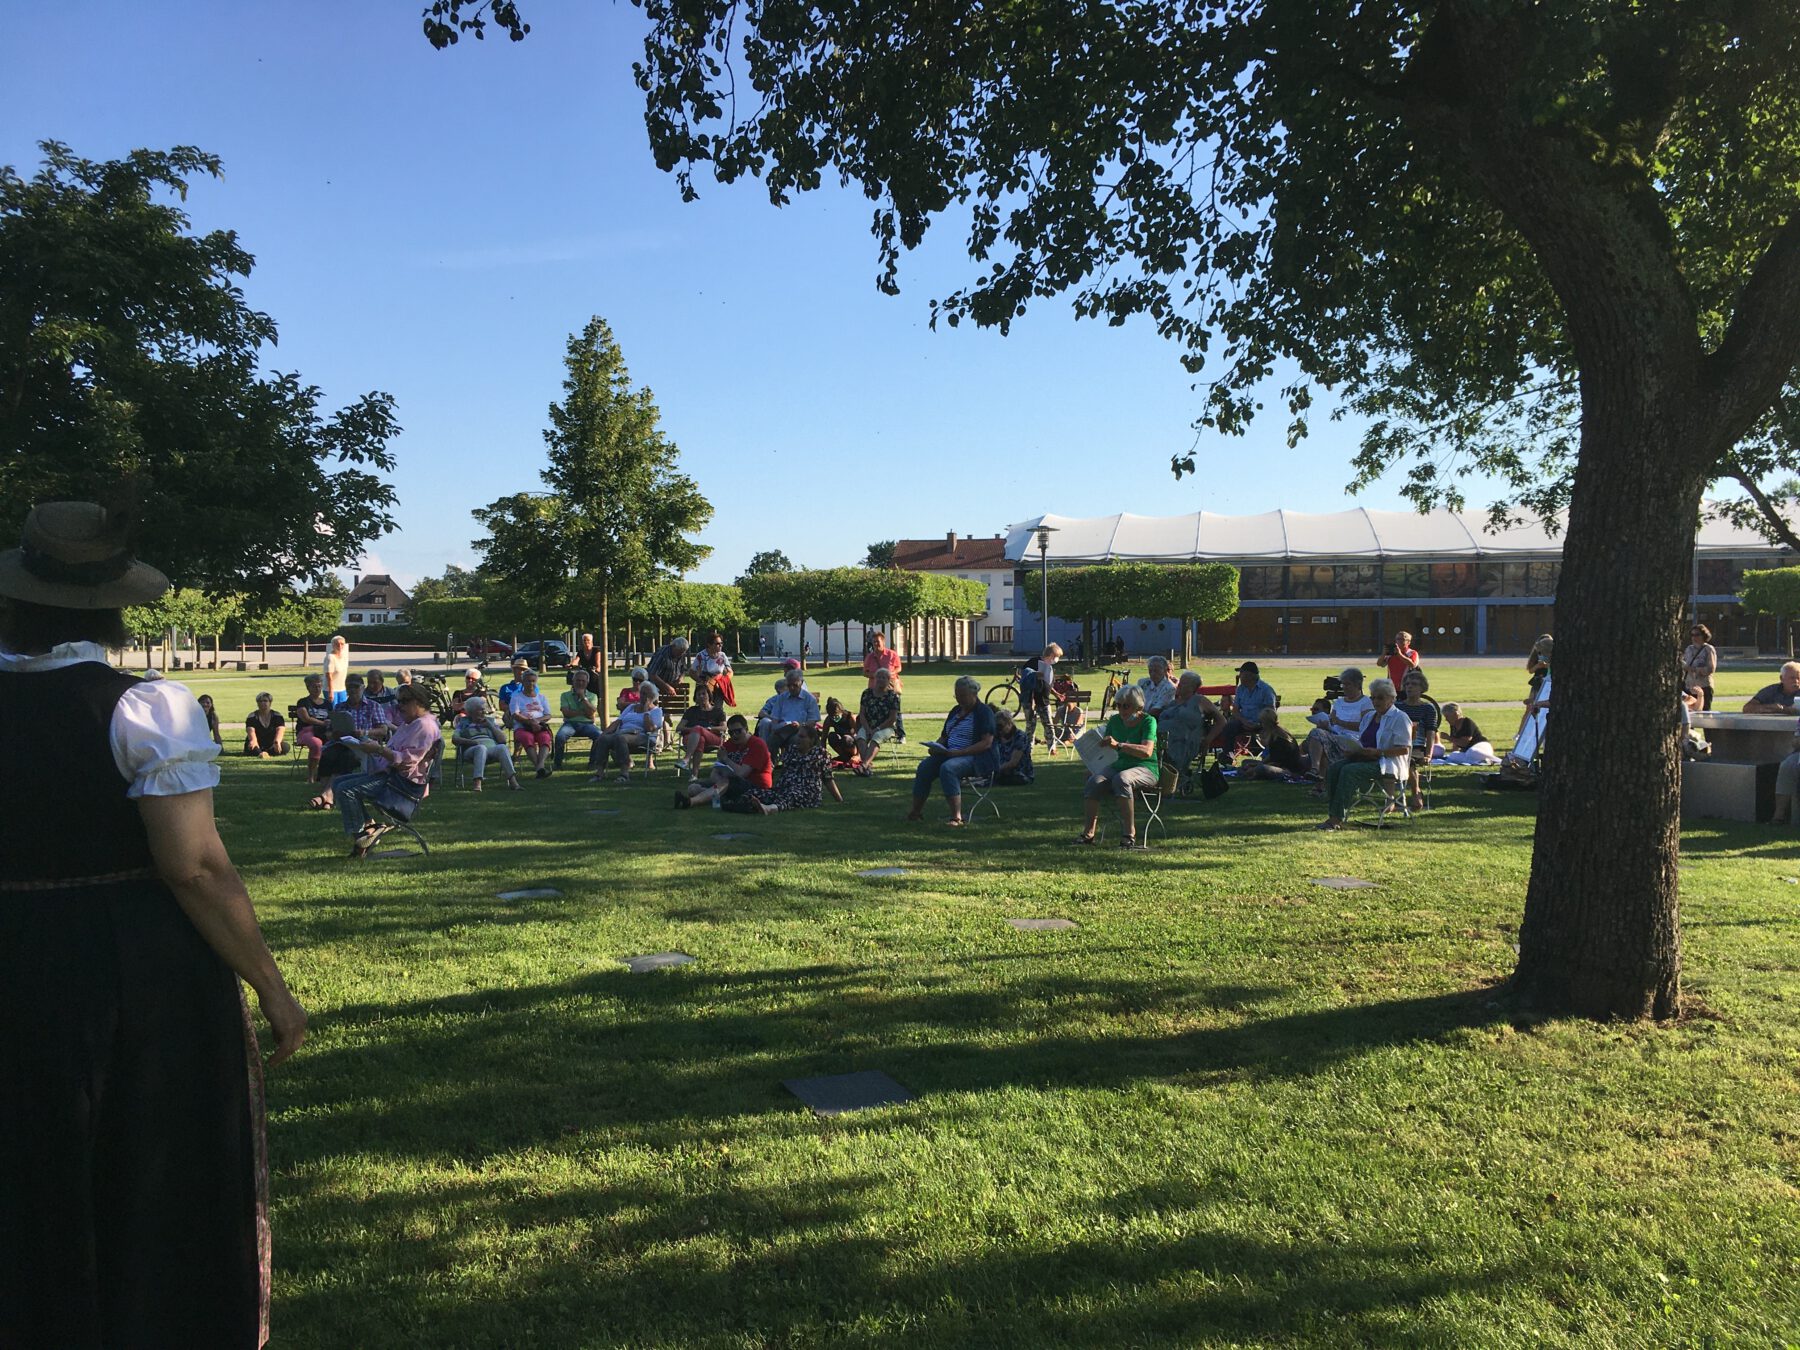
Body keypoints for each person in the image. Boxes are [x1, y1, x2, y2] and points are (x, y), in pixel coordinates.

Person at [0, 500, 307, 1343]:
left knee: (28, 1163)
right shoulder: (146, 707)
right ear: (115, 605)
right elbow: (194, 864)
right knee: (151, 1162)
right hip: (132, 968)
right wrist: (273, 989)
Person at [336, 683, 444, 855]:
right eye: (397, 701)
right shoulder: (411, 723)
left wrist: (378, 749)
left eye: (404, 701)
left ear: (418, 701)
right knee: (338, 783)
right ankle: (369, 829)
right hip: (391, 777)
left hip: (401, 786)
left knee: (345, 789)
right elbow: (395, 751)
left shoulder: (424, 726)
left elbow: (408, 762)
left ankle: (361, 839)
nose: (399, 706)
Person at [1317, 677, 1413, 830]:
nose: (1376, 701)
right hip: (1365, 757)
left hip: (1386, 762)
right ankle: (1332, 814)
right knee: (1334, 768)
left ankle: (1336, 819)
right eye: (1373, 697)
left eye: (1380, 698)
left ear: (1392, 699)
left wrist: (1379, 751)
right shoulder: (1369, 717)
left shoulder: (1400, 718)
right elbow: (1362, 742)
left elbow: (1404, 749)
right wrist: (1353, 750)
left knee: (1348, 771)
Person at [907, 675, 999, 827]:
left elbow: (986, 743)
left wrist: (959, 753)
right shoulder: (956, 711)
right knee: (924, 767)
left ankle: (956, 817)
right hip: (949, 754)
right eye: (957, 695)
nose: (959, 699)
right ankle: (916, 812)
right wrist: (936, 747)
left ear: (974, 694)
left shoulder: (984, 712)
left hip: (976, 757)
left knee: (948, 768)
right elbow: (945, 736)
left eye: (963, 696)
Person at [1074, 685, 1159, 847]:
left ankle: (1129, 834)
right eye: (1118, 705)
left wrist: (1119, 745)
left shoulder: (1149, 721)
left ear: (1138, 706)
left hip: (1145, 768)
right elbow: (1106, 750)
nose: (1121, 709)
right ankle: (1088, 833)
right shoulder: (1115, 720)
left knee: (1122, 779)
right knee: (1094, 781)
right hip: (1118, 765)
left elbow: (1147, 752)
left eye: (1126, 706)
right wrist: (1093, 764)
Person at [742, 725, 843, 814]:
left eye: (802, 737)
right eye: (798, 736)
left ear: (811, 740)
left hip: (806, 792)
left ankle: (770, 809)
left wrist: (839, 800)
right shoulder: (791, 750)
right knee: (755, 793)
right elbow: (783, 771)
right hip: (784, 789)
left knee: (791, 797)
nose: (798, 739)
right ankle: (743, 806)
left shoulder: (821, 754)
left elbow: (828, 779)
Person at [678, 715, 773, 809]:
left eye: (738, 731)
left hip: (755, 786)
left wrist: (726, 759)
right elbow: (714, 772)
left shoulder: (757, 744)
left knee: (727, 782)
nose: (735, 735)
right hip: (728, 783)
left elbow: (741, 774)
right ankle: (723, 797)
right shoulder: (729, 745)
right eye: (731, 733)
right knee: (693, 788)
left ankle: (690, 802)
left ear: (746, 729)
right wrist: (718, 783)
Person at [1303, 667, 1372, 776]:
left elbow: (1365, 727)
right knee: (1318, 733)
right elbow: (1333, 722)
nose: (1344, 687)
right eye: (1342, 684)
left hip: (1353, 741)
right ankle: (1319, 781)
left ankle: (1314, 770)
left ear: (1358, 685)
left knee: (1317, 735)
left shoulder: (1366, 702)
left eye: (1347, 684)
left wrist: (1341, 722)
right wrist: (1326, 725)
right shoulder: (1339, 702)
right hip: (1335, 737)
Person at [590, 683, 664, 782]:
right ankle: (599, 773)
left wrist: (646, 711)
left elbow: (650, 729)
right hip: (622, 733)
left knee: (621, 738)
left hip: (643, 736)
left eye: (645, 694)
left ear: (652, 697)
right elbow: (617, 722)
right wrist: (603, 734)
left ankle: (624, 774)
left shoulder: (656, 711)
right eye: (641, 693)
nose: (642, 696)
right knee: (604, 739)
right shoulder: (631, 707)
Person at [1207, 661, 1278, 761]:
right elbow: (1235, 710)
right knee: (1229, 727)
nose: (1239, 676)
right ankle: (1229, 756)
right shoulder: (1241, 689)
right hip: (1244, 721)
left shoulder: (1266, 690)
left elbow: (1271, 712)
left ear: (1249, 675)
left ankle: (1269, 757)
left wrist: (1258, 724)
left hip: (1262, 723)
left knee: (1271, 731)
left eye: (1241, 673)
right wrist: (1244, 721)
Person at [1155, 671, 1214, 792]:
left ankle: (1173, 779)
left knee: (1161, 748)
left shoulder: (1199, 701)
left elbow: (1222, 720)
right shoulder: (1173, 702)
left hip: (1185, 741)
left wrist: (1208, 739)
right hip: (1162, 738)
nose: (1179, 685)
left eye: (1183, 683)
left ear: (1192, 687)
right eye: (1180, 683)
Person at [452, 695, 522, 792]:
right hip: (471, 750)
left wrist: (490, 726)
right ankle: (477, 783)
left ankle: (513, 782)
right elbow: (455, 738)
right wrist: (470, 742)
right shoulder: (463, 723)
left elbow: (503, 740)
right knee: (481, 748)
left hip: (491, 749)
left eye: (484, 709)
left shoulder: (490, 722)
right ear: (472, 711)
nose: (484, 712)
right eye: (480, 710)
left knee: (502, 747)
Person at [1396, 668, 1440, 811]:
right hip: (1398, 744)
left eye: (1413, 684)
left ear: (1422, 688)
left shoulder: (1428, 708)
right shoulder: (1397, 707)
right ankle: (1391, 799)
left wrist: (1428, 754)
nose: (1409, 686)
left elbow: (1431, 732)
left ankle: (1415, 791)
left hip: (1418, 747)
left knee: (1408, 758)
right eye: (1407, 684)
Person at [1236, 706, 1309, 781]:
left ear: (1265, 723)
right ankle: (1251, 773)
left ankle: (1252, 774)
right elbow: (1271, 756)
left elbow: (1276, 763)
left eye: (1261, 722)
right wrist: (1258, 764)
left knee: (1260, 769)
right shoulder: (1275, 735)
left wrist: (1255, 768)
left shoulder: (1278, 739)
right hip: (1279, 765)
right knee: (1245, 762)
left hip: (1289, 770)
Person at [758, 665, 820, 751]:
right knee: (772, 740)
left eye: (795, 685)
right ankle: (769, 762)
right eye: (789, 685)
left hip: (801, 731)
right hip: (782, 730)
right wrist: (777, 726)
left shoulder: (809, 699)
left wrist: (800, 725)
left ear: (801, 683)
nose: (791, 688)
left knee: (795, 740)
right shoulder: (781, 698)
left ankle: (791, 762)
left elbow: (812, 721)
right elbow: (775, 718)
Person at [853, 668, 902, 775]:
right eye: (878, 677)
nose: (880, 679)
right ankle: (867, 767)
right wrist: (867, 729)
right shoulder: (867, 693)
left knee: (877, 737)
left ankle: (864, 765)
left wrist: (877, 729)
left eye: (883, 677)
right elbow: (862, 714)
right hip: (868, 726)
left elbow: (892, 719)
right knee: (860, 738)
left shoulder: (893, 696)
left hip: (886, 727)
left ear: (889, 680)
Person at [508, 666, 555, 777]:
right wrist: (530, 722)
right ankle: (539, 768)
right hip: (522, 727)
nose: (531, 684)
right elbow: (515, 714)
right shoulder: (516, 697)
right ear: (523, 682)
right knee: (527, 738)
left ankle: (540, 766)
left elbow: (548, 715)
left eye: (533, 681)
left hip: (539, 726)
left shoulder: (541, 698)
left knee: (545, 738)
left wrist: (537, 721)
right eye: (528, 681)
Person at [554, 667, 603, 770]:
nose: (580, 683)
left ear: (587, 682)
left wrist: (583, 698)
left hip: (587, 724)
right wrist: (583, 712)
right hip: (570, 724)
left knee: (599, 735)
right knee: (560, 737)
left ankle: (592, 763)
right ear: (573, 681)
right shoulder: (565, 695)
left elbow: (591, 713)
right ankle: (557, 764)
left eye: (583, 681)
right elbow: (566, 713)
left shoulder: (592, 696)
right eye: (578, 680)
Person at [677, 679, 727, 777]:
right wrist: (694, 730)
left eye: (703, 693)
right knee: (700, 738)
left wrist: (709, 729)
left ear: (709, 695)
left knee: (699, 729)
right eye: (698, 694)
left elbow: (724, 727)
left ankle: (686, 759)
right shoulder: (691, 711)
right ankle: (694, 775)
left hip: (713, 737)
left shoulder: (718, 711)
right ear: (695, 698)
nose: (701, 696)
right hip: (691, 738)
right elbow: (679, 727)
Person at [1020, 642, 1064, 751]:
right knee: (1031, 725)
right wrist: (1035, 675)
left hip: (1044, 700)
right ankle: (1028, 748)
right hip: (1031, 700)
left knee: (1049, 724)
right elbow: (1025, 679)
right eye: (1056, 657)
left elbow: (1048, 684)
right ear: (1050, 655)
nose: (1056, 660)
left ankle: (1052, 748)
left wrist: (1056, 694)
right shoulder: (1033, 662)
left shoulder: (1049, 668)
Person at [862, 631, 904, 740]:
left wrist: (890, 674)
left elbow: (899, 667)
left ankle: (901, 734)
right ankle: (872, 732)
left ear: (883, 642)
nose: (876, 644)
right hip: (874, 689)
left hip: (890, 687)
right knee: (873, 711)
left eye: (878, 641)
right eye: (874, 642)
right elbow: (865, 672)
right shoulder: (870, 657)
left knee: (895, 711)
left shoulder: (892, 654)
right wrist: (875, 676)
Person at [293, 672, 332, 781]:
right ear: (308, 688)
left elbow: (333, 718)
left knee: (336, 743)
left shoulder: (327, 703)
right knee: (316, 744)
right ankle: (311, 776)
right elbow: (305, 718)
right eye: (314, 686)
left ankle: (326, 774)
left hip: (324, 732)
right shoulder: (303, 702)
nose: (317, 689)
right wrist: (323, 723)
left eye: (319, 686)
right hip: (305, 731)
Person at [992, 708, 1035, 785]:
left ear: (1009, 723)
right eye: (996, 727)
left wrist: (995, 769)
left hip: (1019, 773)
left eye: (1000, 726)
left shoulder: (1020, 737)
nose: (998, 730)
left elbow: (1013, 763)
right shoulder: (997, 737)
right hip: (1000, 771)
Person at [693, 631, 735, 706]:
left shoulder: (722, 655)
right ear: (709, 645)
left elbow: (730, 672)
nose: (720, 645)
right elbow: (691, 672)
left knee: (718, 709)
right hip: (703, 687)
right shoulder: (701, 656)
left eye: (721, 643)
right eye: (717, 644)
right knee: (702, 708)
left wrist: (722, 681)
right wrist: (700, 681)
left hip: (718, 687)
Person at [1681, 624, 1718, 711]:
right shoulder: (1689, 649)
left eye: (1697, 635)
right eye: (1692, 635)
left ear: (1704, 635)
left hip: (1703, 686)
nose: (1694, 637)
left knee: (1704, 714)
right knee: (1689, 713)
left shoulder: (1708, 649)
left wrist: (1693, 669)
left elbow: (1711, 669)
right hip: (1689, 687)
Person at [244, 691, 288, 757]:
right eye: (260, 701)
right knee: (251, 746)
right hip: (257, 742)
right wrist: (253, 741)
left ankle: (266, 753)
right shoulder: (252, 716)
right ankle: (261, 753)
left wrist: (277, 742)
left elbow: (280, 730)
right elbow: (251, 731)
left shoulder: (277, 716)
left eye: (265, 701)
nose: (262, 703)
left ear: (270, 703)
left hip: (272, 743)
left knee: (285, 747)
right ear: (257, 703)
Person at [821, 696, 859, 765]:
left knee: (846, 738)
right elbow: (823, 738)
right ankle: (844, 756)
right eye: (832, 717)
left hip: (852, 743)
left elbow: (860, 736)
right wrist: (823, 754)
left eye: (836, 716)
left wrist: (858, 755)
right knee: (831, 736)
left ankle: (854, 755)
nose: (835, 718)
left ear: (841, 711)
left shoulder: (849, 717)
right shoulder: (829, 720)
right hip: (841, 744)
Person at [322, 633, 350, 706]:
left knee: (344, 710)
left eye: (342, 644)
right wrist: (331, 691)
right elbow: (329, 675)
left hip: (342, 689)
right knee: (334, 711)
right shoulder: (330, 657)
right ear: (333, 645)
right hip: (331, 690)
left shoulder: (344, 657)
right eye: (337, 644)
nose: (340, 646)